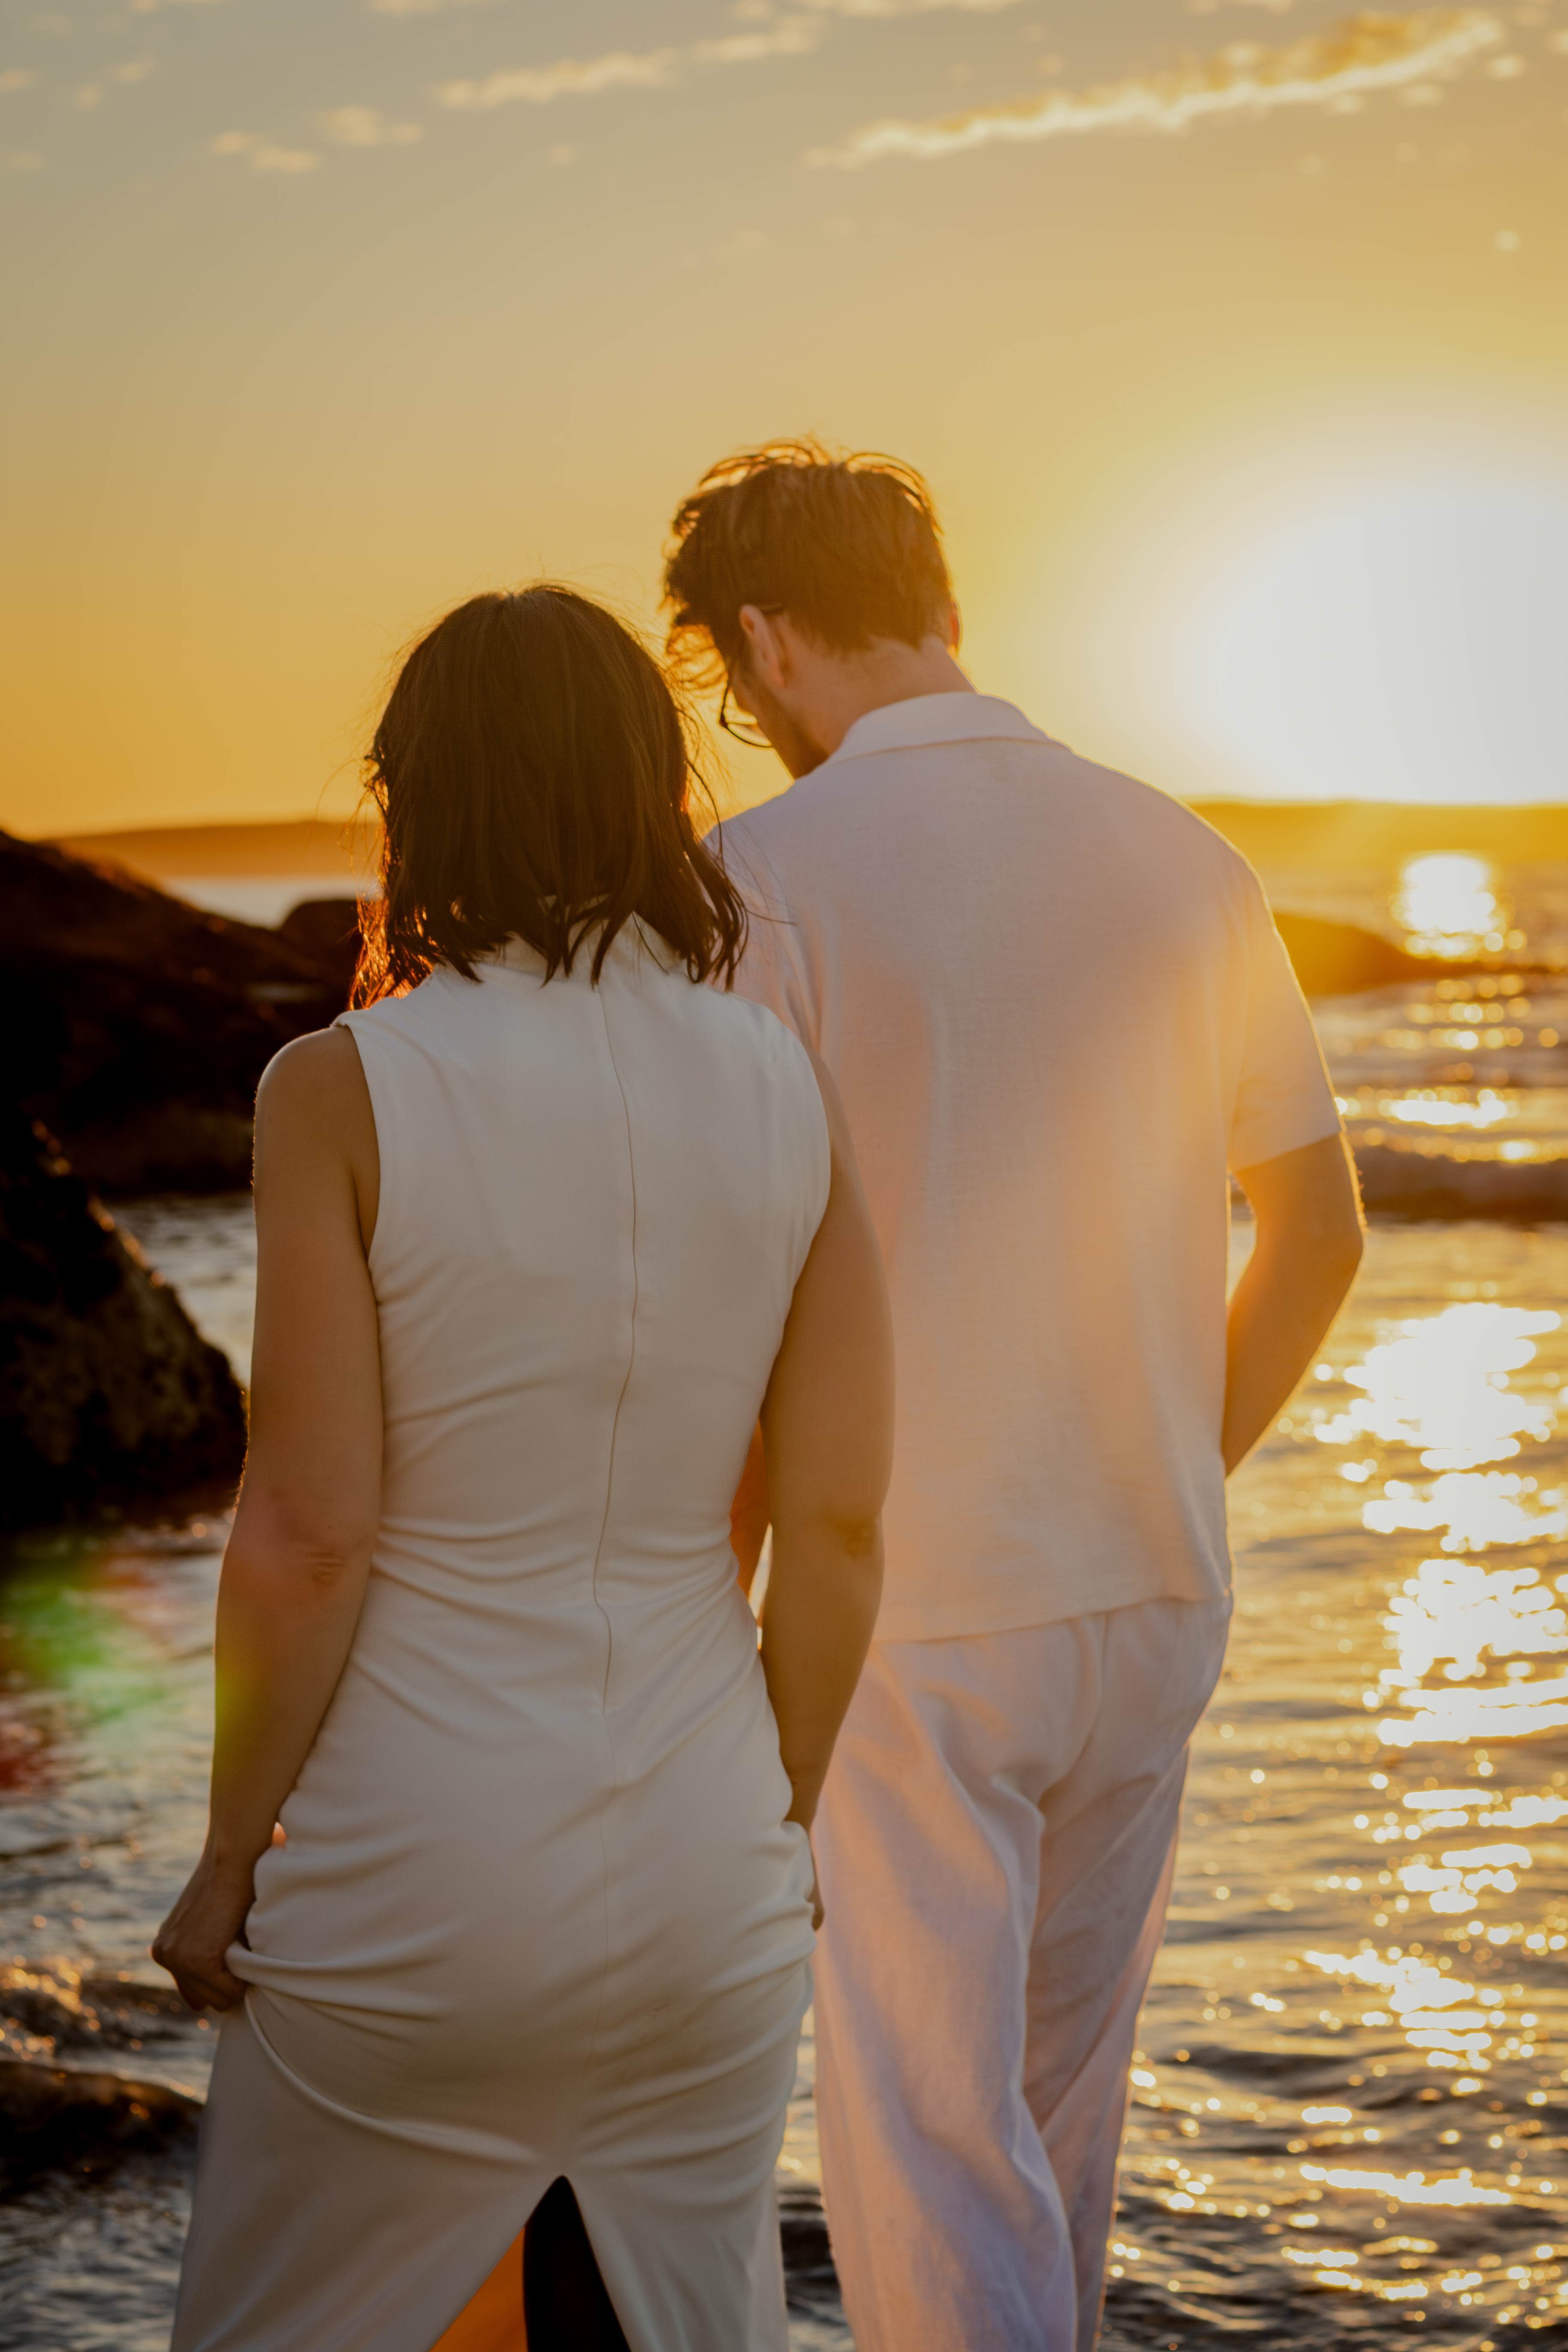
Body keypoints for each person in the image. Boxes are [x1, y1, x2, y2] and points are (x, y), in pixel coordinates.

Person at [663, 441, 1365, 2352]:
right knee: (1059, 2122)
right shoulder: (1178, 852)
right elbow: (1314, 1232)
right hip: (1148, 1581)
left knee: (923, 2142)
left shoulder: (758, 887)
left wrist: (700, 1609)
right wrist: (1167, 1472)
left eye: (735, 683)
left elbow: (728, 1290)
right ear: (940, 602)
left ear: (765, 636)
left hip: (902, 1602)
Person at [151, 585, 894, 2352]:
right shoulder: (788, 1082)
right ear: (652, 788)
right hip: (707, 1869)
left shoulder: (342, 1087)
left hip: (415, 1870)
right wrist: (773, 1814)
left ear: (419, 802)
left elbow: (314, 1538)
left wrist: (225, 1856)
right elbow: (842, 1523)